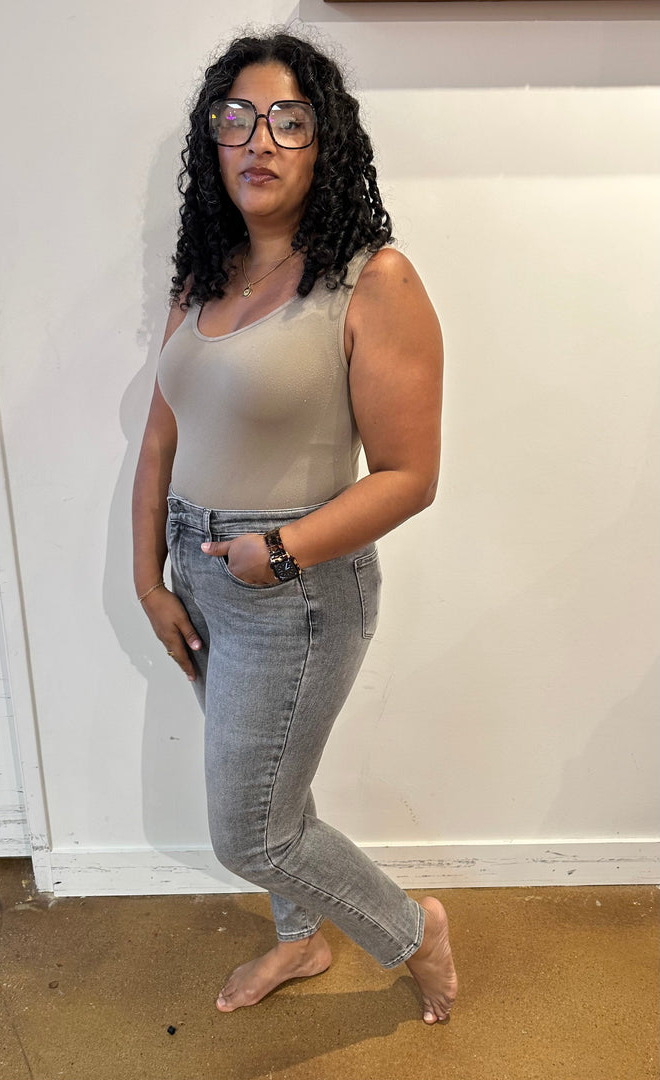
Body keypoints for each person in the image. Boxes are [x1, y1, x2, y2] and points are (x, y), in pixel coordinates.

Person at [132, 30, 457, 1024]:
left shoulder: (373, 280)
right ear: (213, 140)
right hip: (199, 569)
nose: (259, 140)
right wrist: (149, 579)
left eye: (289, 119)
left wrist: (273, 554)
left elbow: (410, 476)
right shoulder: (206, 276)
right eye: (236, 118)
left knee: (252, 830)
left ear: (326, 142)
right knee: (273, 792)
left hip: (296, 589)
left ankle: (411, 931)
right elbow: (160, 437)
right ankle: (299, 938)